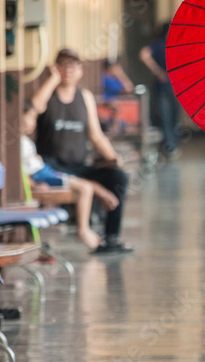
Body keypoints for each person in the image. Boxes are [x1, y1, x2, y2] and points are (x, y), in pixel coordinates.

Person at [31, 48, 133, 254]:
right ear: (55, 68)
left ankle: (111, 237)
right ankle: (85, 227)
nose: (68, 70)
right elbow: (35, 106)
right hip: (52, 166)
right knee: (91, 185)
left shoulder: (84, 97)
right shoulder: (47, 94)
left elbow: (96, 135)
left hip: (78, 166)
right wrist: (52, 80)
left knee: (119, 177)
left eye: (73, 65)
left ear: (81, 71)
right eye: (63, 64)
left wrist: (113, 157)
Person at [21, 97, 120, 250]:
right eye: (28, 119)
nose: (31, 124)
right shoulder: (18, 143)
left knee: (87, 185)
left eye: (33, 120)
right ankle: (83, 230)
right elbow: (19, 171)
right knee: (85, 187)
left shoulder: (25, 141)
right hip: (42, 176)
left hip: (45, 171)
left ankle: (88, 227)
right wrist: (33, 185)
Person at [139, 23, 179, 157]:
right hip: (176, 86)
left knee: (165, 116)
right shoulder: (177, 45)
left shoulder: (158, 44)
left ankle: (169, 146)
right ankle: (172, 144)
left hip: (163, 84)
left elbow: (144, 54)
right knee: (173, 116)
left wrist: (157, 71)